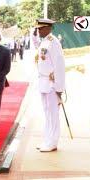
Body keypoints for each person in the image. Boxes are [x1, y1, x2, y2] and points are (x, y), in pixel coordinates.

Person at [35, 19, 65, 152]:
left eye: (40, 28)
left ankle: (53, 142)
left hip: (52, 83)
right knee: (47, 113)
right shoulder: (45, 41)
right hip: (43, 82)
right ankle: (47, 140)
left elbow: (59, 66)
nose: (38, 30)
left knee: (53, 114)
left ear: (48, 28)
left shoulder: (54, 42)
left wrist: (59, 88)